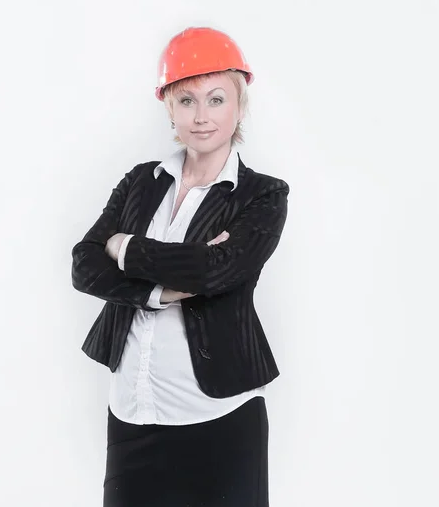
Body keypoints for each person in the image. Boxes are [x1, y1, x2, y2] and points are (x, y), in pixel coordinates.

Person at [71, 26, 290, 507]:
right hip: (132, 415)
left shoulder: (263, 195)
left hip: (220, 418)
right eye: (186, 101)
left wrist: (126, 247)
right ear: (168, 107)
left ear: (239, 104)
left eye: (216, 99)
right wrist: (157, 291)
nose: (202, 116)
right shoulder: (140, 182)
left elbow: (214, 273)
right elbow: (84, 264)